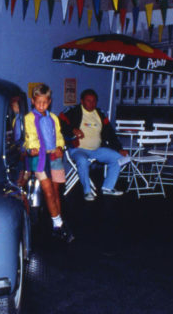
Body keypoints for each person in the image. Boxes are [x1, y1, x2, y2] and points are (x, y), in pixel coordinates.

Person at [24, 83, 74, 243]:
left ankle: (56, 224)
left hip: (54, 157)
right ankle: (59, 224)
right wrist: (31, 148)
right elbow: (27, 138)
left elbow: (59, 136)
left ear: (49, 101)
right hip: (39, 159)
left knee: (55, 191)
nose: (41, 105)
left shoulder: (53, 118)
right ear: (32, 101)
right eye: (38, 102)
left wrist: (60, 147)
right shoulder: (28, 118)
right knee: (48, 190)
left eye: (44, 102)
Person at [59, 89, 128, 201]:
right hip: (78, 149)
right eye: (88, 101)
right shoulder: (72, 111)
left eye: (94, 101)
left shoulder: (100, 114)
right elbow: (59, 123)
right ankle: (87, 192)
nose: (92, 103)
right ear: (82, 101)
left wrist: (119, 149)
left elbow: (110, 133)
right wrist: (72, 129)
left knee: (118, 158)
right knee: (82, 161)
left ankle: (107, 187)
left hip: (97, 150)